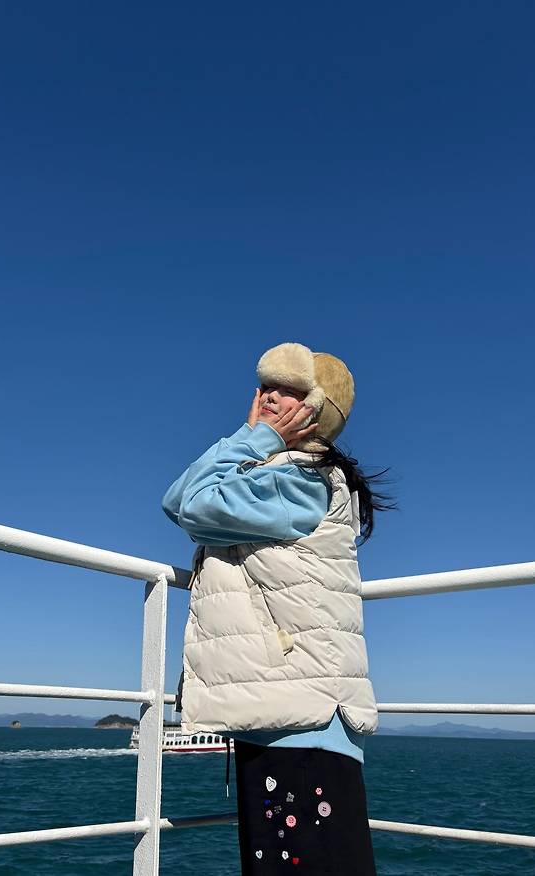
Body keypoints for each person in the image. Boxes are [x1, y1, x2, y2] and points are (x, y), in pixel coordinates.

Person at [161, 342, 396, 875]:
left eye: (288, 391)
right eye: (265, 386)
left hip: (298, 715)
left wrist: (255, 437)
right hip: (283, 708)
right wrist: (256, 440)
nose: (269, 396)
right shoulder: (281, 474)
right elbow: (183, 501)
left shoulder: (301, 479)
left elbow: (189, 505)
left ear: (317, 410)